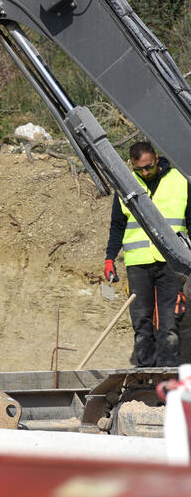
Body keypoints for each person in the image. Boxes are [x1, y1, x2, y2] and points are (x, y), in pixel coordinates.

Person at [104, 141, 191, 367]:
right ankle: (145, 379)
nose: (145, 172)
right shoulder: (127, 184)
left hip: (172, 264)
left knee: (169, 323)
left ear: (156, 158)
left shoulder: (180, 179)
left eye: (149, 166)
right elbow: (117, 224)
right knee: (141, 324)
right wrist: (110, 257)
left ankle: (167, 378)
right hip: (138, 264)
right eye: (139, 169)